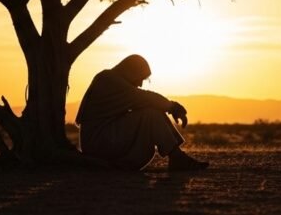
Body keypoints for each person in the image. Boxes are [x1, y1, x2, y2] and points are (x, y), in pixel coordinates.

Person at [76, 54, 209, 171]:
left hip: (103, 136)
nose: (140, 84)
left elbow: (142, 99)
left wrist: (170, 107)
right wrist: (172, 107)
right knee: (150, 114)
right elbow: (144, 98)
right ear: (131, 71)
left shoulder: (110, 79)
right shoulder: (109, 79)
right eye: (140, 78)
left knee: (150, 111)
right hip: (98, 140)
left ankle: (177, 156)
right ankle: (177, 157)